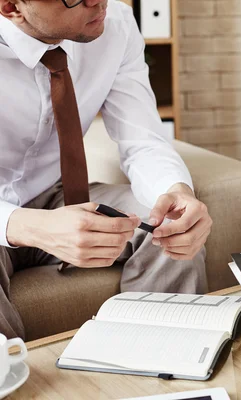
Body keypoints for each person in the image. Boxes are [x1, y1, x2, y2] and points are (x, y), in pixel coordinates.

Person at [0, 0, 212, 339]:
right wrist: (29, 227)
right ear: (12, 7)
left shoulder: (116, 24)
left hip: (54, 193)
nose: (99, 2)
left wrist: (175, 191)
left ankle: (162, 363)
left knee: (169, 226)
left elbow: (141, 138)